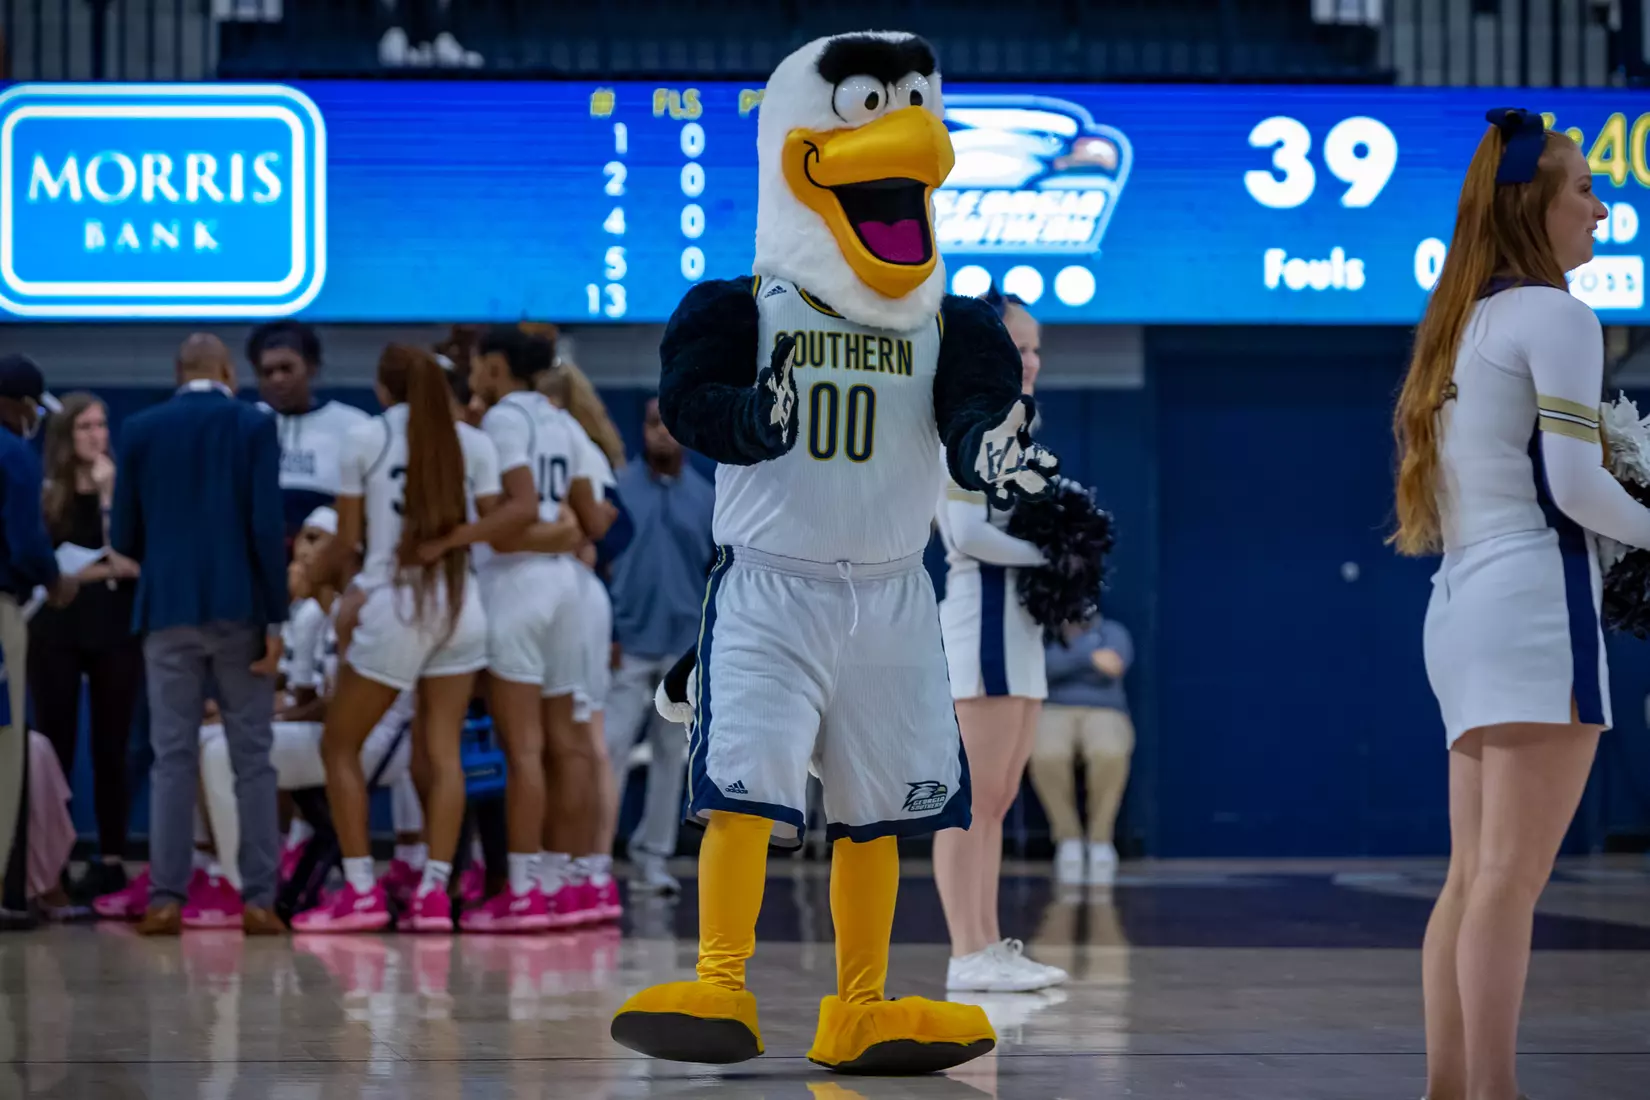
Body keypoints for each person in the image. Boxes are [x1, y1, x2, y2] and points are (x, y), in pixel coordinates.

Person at [1391, 109, 1628, 1100]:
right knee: (1508, 877)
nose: (1602, 209)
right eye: (1586, 190)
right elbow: (1576, 488)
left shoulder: (1459, 323)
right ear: (1537, 205)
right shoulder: (1557, 315)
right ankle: (1495, 1090)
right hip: (1534, 600)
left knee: (1473, 872)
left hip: (1461, 602)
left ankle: (1453, 1087)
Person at [292, 344, 518, 934]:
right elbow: (502, 518)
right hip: (461, 604)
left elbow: (346, 540)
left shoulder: (366, 437)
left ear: (383, 387)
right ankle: (435, 895)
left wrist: (308, 582)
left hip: (394, 602)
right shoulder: (474, 442)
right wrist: (452, 542)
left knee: (339, 746)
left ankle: (361, 889)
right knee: (441, 754)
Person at [111, 334, 288, 936]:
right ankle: (260, 900)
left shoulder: (140, 429)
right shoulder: (254, 426)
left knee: (172, 758)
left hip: (166, 610)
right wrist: (276, 617)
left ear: (177, 371)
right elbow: (266, 526)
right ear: (228, 371)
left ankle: (165, 898)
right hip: (241, 609)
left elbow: (124, 535)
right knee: (252, 759)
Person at [934, 289, 1067, 993]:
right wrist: (1053, 555)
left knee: (999, 798)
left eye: (1037, 347)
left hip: (1019, 630)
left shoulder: (1020, 428)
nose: (1032, 360)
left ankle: (988, 945)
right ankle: (966, 952)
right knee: (972, 802)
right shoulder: (968, 424)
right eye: (1019, 347)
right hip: (980, 626)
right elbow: (964, 534)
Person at [460, 329, 608, 932]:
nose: (473, 374)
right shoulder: (561, 420)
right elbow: (592, 519)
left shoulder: (503, 419)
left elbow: (509, 522)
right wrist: (563, 533)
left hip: (514, 587)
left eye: (478, 364)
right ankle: (564, 885)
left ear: (496, 367)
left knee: (522, 750)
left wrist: (463, 538)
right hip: (566, 588)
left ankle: (521, 893)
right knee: (569, 745)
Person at [28, 392, 143, 904]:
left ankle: (113, 859)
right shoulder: (45, 493)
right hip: (54, 629)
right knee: (54, 746)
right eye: (85, 427)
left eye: (101, 425)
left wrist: (108, 497)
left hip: (113, 627)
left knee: (112, 747)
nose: (97, 436)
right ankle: (51, 865)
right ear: (65, 435)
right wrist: (95, 571)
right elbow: (40, 564)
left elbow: (129, 560)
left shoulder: (122, 486)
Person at [598, 394, 714, 894]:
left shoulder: (708, 498)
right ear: (640, 430)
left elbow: (716, 575)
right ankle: (595, 861)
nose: (662, 432)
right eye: (652, 423)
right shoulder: (617, 491)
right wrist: (608, 632)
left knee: (671, 759)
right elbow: (598, 564)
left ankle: (653, 860)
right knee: (610, 749)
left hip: (681, 650)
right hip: (626, 644)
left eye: (669, 424)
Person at [538, 358, 629, 920]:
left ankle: (589, 869)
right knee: (577, 739)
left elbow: (612, 531)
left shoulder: (572, 447)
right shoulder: (584, 445)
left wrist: (576, 537)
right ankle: (586, 868)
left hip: (574, 596)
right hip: (574, 596)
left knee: (582, 739)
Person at [0, 354, 76, 927]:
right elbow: (25, 539)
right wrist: (55, 579)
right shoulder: (13, 453)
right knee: (6, 750)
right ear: (20, 405)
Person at [1027, 614, 1134, 887]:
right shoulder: (1043, 632)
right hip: (1052, 708)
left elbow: (1114, 665)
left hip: (1105, 710)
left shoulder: (1113, 630)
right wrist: (1089, 657)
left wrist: (1065, 659)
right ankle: (1068, 839)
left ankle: (1100, 840)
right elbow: (1040, 668)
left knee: (1110, 752)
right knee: (1046, 754)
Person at [247, 320, 372, 547]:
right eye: (267, 372)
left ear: (312, 367)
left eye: (286, 369)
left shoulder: (354, 426)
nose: (277, 379)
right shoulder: (244, 426)